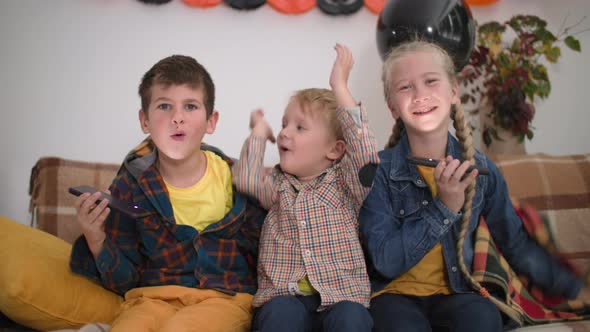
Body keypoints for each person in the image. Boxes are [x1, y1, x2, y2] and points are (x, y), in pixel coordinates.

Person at [359, 39, 590, 332]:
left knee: (482, 318)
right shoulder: (377, 171)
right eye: (405, 87)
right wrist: (444, 208)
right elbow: (386, 261)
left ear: (453, 91)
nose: (420, 95)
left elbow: (515, 244)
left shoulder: (482, 172)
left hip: (457, 292)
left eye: (431, 81)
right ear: (393, 107)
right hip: (392, 295)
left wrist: (571, 288)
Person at [69, 55, 266, 332]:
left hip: (224, 299)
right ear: (145, 121)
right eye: (164, 106)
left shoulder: (240, 180)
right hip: (150, 299)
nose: (177, 118)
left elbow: (268, 253)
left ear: (211, 121)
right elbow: (124, 281)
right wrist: (96, 238)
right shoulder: (129, 186)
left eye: (190, 106)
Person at [233, 44, 378, 332]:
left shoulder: (346, 184)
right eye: (285, 124)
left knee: (353, 319)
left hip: (341, 296)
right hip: (284, 297)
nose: (285, 132)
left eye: (300, 127)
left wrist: (340, 86)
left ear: (335, 150)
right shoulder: (277, 186)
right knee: (281, 316)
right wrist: (259, 135)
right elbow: (246, 178)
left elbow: (364, 154)